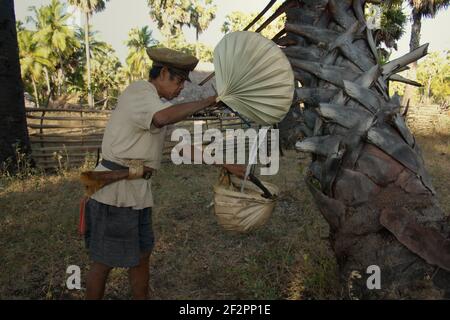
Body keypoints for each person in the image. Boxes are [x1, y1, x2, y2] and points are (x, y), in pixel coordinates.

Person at [83, 47, 246, 299]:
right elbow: (161, 119)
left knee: (140, 257)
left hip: (137, 192)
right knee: (104, 262)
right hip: (113, 194)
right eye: (179, 81)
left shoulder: (157, 104)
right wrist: (208, 100)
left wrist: (224, 163)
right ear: (164, 72)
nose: (181, 88)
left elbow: (183, 145)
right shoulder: (140, 91)